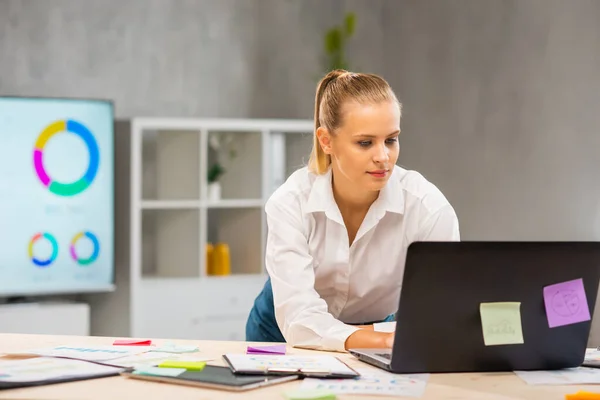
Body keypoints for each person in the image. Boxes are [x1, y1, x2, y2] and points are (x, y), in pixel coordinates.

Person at [245, 69, 460, 352]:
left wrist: (384, 336)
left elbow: (440, 308)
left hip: (381, 330)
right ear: (326, 141)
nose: (383, 156)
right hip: (282, 332)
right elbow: (298, 317)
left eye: (391, 140)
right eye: (365, 142)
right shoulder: (290, 203)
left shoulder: (427, 208)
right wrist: (380, 339)